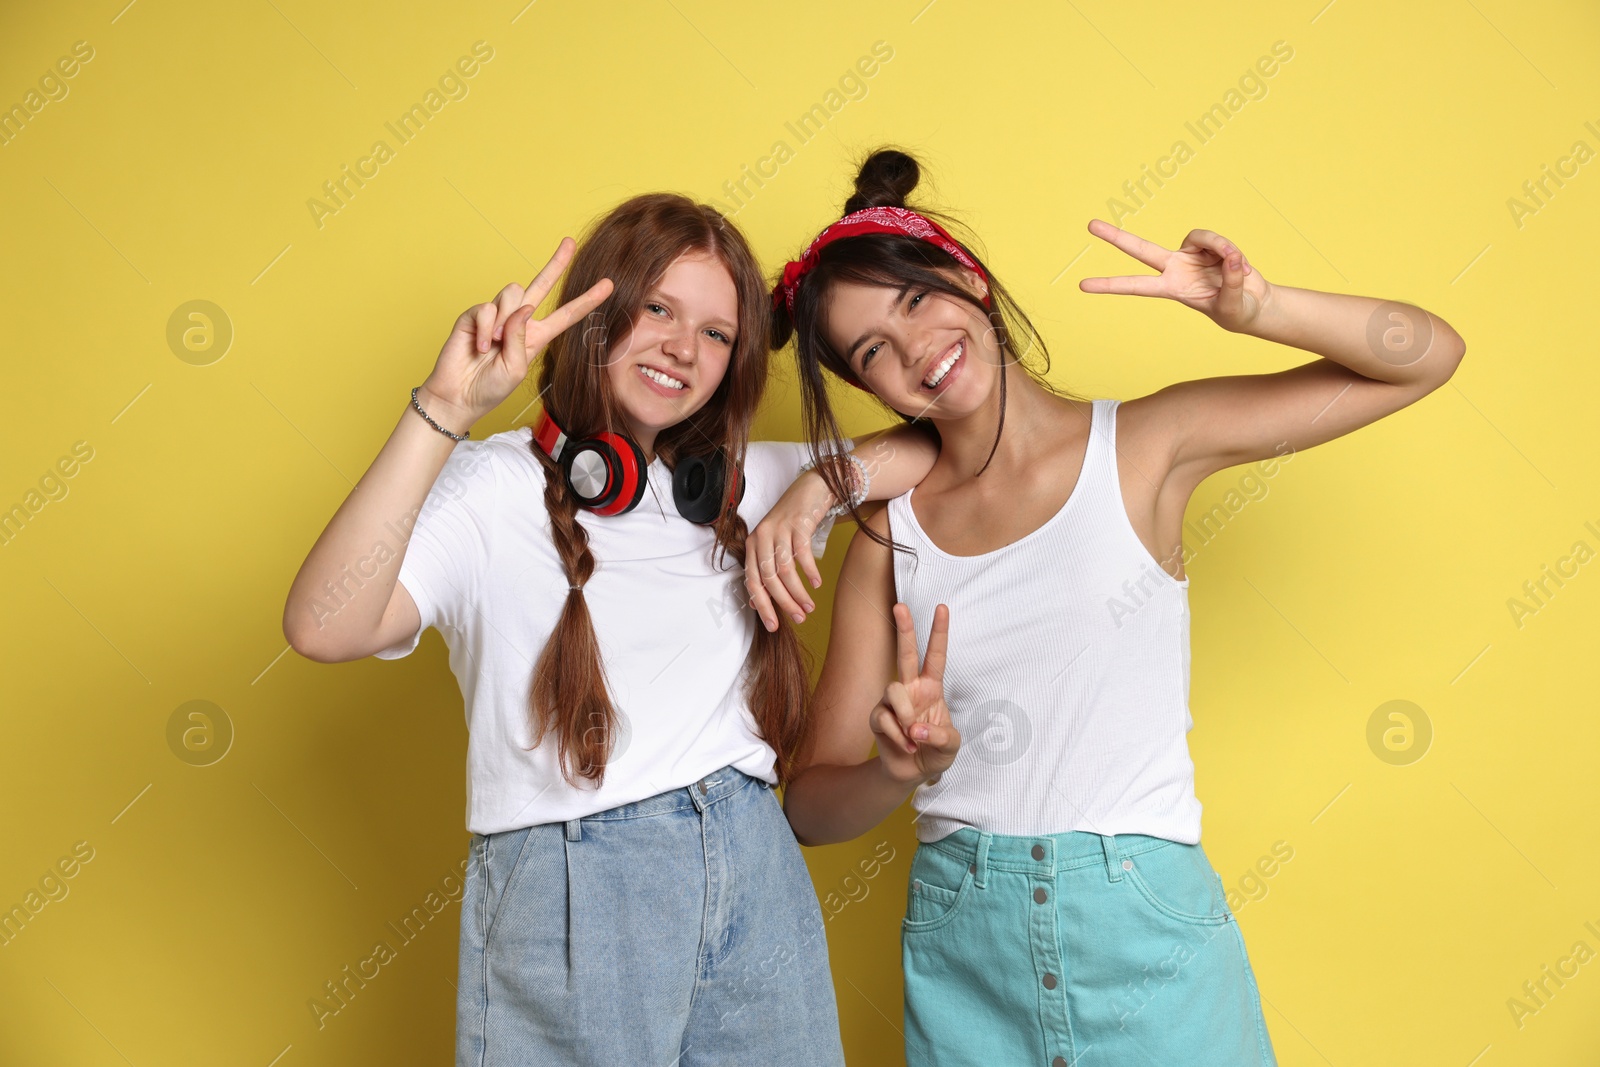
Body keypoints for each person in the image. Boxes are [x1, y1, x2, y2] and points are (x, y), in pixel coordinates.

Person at [766, 148, 1466, 1066]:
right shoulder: (888, 542)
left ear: (968, 278)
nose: (914, 348)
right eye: (872, 351)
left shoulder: (1145, 445)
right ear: (870, 390)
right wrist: (897, 771)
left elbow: (1426, 356)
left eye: (916, 300)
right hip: (963, 940)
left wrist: (1260, 311)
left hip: (1145, 925)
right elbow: (811, 808)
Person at [281, 192, 938, 1067]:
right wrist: (444, 406)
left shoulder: (736, 487)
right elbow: (323, 624)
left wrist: (819, 486)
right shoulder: (489, 488)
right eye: (657, 308)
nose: (681, 347)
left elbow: (933, 448)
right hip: (575, 877)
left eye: (715, 333)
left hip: (755, 864)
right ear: (595, 310)